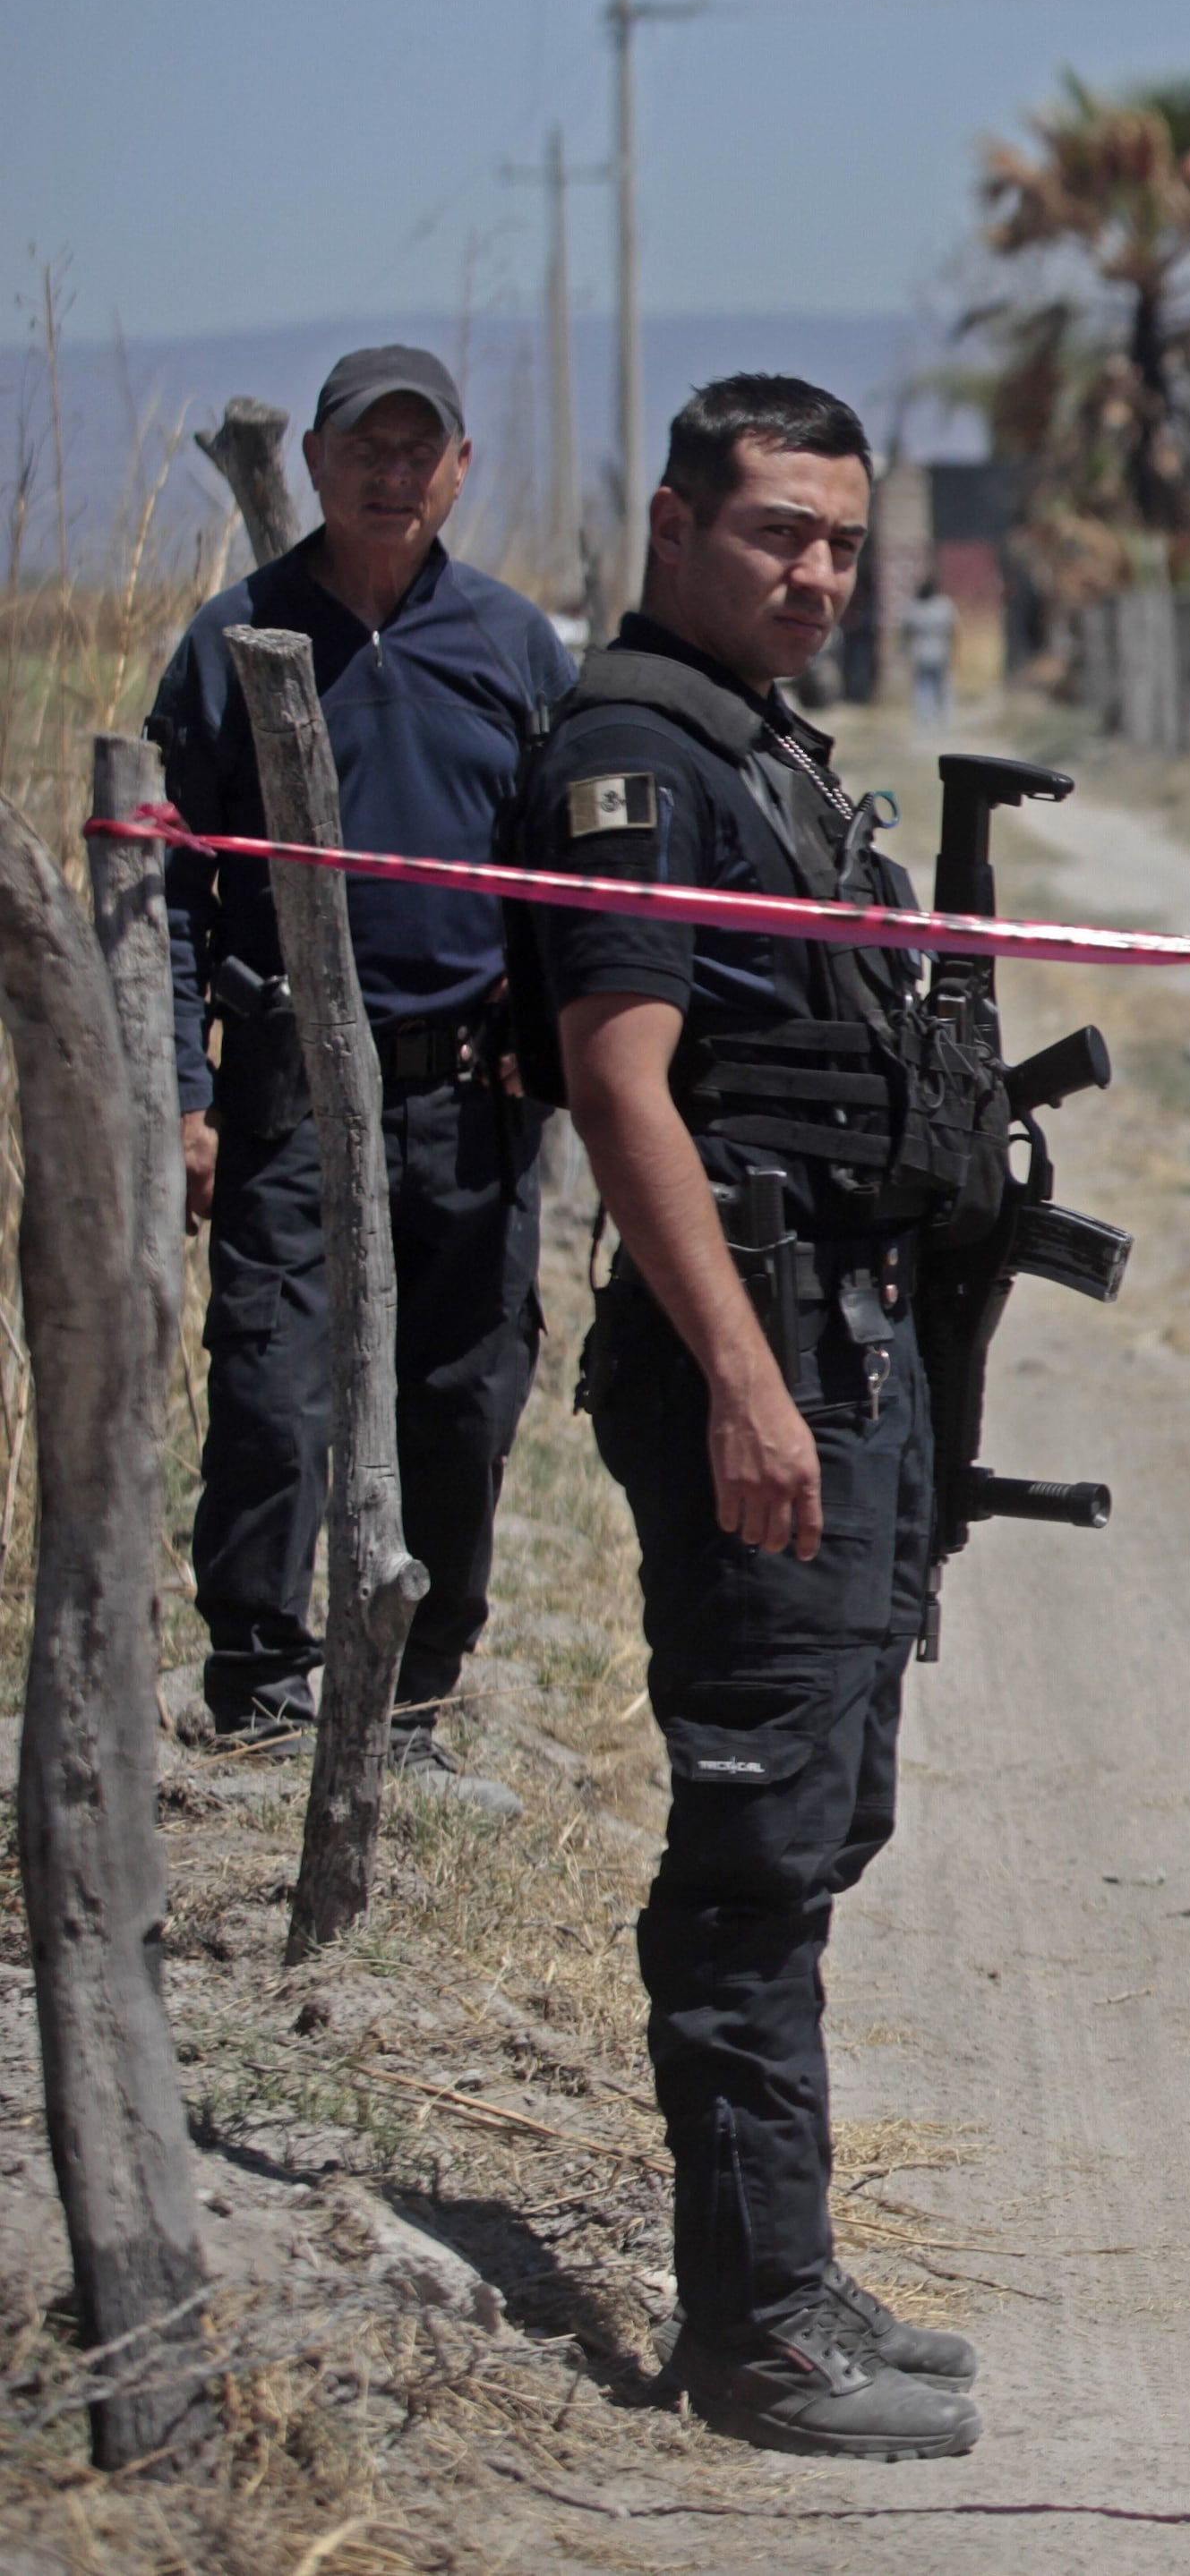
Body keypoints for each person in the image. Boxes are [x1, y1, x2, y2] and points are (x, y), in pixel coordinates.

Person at [513, 373, 990, 2457]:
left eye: (840, 543)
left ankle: (780, 2262)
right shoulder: (633, 754)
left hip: (841, 1357)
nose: (812, 574)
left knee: (823, 1818)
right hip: (761, 1365)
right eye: (775, 532)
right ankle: (752, 2333)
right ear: (674, 524)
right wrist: (744, 1386)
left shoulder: (758, 749)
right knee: (749, 1847)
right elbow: (624, 1089)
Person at [146, 345, 571, 1811]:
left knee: (464, 1392)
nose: (392, 474)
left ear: (460, 469)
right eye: (363, 448)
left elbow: (562, 882)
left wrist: (554, 1038)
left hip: (473, 1095)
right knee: (272, 1386)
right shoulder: (235, 643)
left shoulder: (514, 649)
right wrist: (181, 1098)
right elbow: (169, 899)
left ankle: (416, 1683)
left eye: (420, 449)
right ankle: (261, 1685)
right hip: (286, 1088)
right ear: (315, 464)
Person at [901, 581, 957, 734]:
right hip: (940, 651)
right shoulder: (944, 605)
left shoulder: (914, 606)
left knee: (922, 689)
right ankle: (944, 720)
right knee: (942, 688)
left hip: (920, 652)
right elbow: (953, 629)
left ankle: (925, 721)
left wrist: (903, 650)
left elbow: (905, 631)